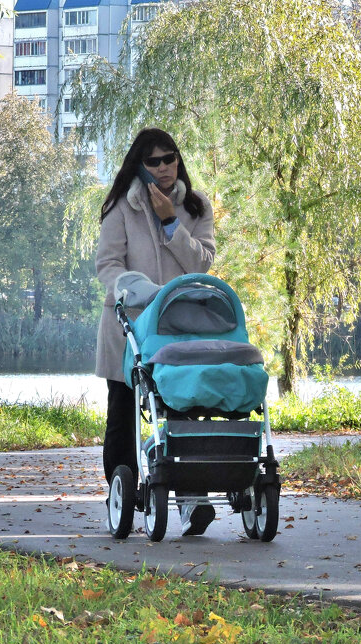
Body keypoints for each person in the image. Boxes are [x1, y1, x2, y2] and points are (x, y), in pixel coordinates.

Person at [95, 127, 217, 535]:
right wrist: (136, 292)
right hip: (129, 325)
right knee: (123, 414)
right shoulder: (121, 207)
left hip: (179, 327)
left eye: (170, 159)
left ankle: (190, 499)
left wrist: (170, 220)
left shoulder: (196, 208)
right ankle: (123, 494)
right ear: (140, 166)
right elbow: (107, 265)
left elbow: (202, 264)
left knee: (183, 409)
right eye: (153, 161)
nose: (163, 168)